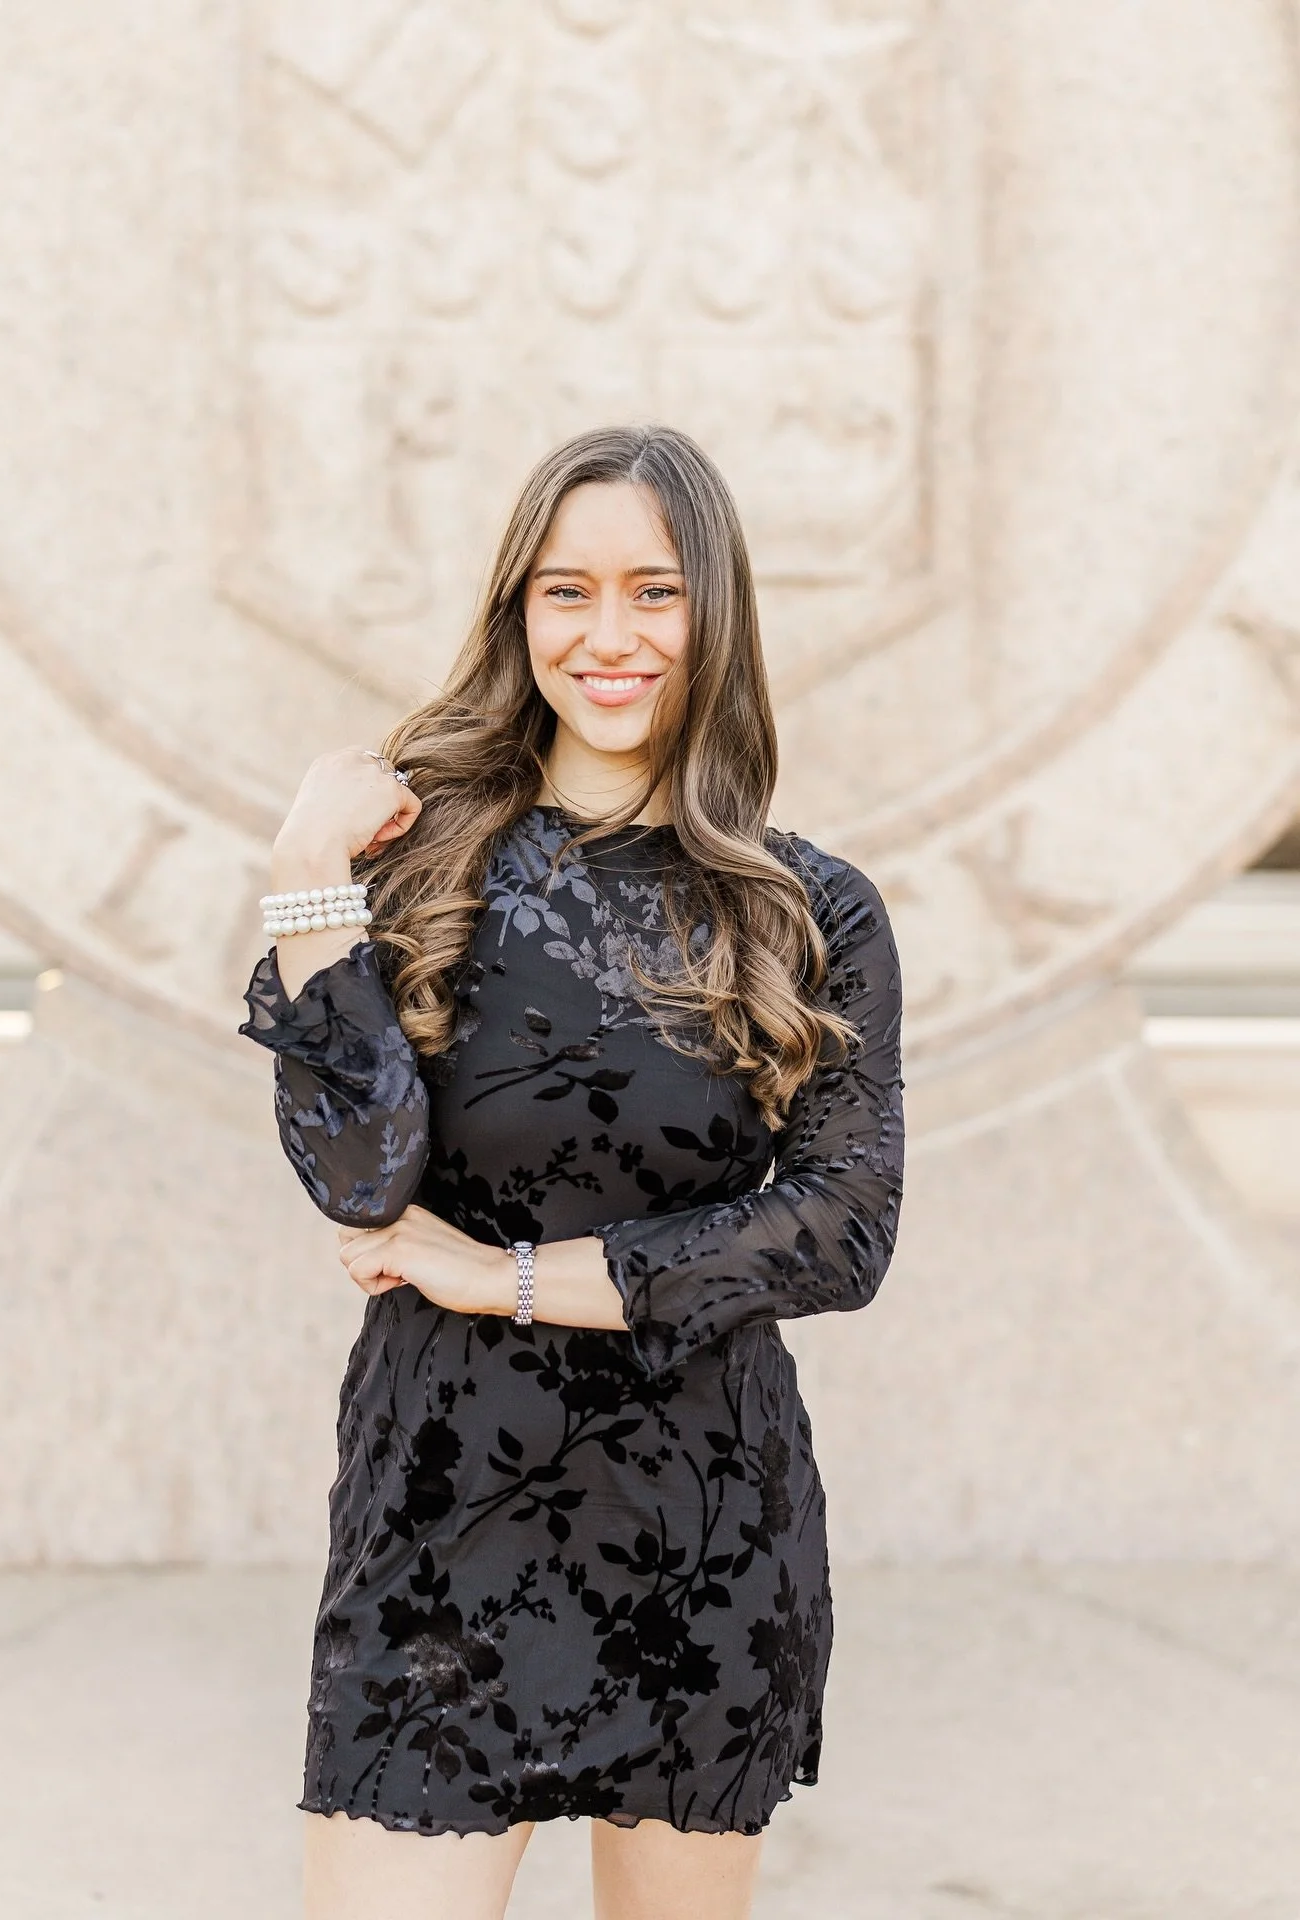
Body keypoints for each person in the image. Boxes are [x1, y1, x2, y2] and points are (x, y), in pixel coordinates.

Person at [239, 425, 904, 1920]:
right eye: (567, 592)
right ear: (517, 613)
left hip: (704, 1517)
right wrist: (303, 875)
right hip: (444, 1503)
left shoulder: (808, 912)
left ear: (713, 616)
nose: (610, 637)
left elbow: (841, 1229)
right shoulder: (411, 866)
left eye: (655, 593)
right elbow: (360, 1177)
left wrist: (502, 1275)